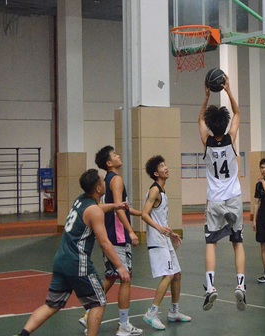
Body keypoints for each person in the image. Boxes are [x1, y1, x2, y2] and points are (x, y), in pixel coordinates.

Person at [15, 169, 131, 336]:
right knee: (98, 302)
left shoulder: (81, 200)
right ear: (98, 188)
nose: (104, 182)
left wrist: (114, 206)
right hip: (78, 262)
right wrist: (119, 266)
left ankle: (23, 334)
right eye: (102, 181)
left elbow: (96, 208)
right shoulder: (95, 211)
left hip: (61, 260)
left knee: (52, 304)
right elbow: (105, 243)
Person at [80, 145, 143, 336]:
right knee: (125, 278)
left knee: (111, 276)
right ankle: (123, 324)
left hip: (109, 233)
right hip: (118, 235)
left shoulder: (105, 181)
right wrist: (130, 231)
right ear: (109, 163)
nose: (118, 156)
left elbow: (119, 206)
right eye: (115, 155)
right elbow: (118, 208)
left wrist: (139, 213)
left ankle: (88, 314)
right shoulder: (116, 179)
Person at [198, 74, 246, 311]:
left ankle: (210, 287)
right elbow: (237, 113)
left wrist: (206, 97)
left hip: (215, 200)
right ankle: (240, 286)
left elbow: (200, 119)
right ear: (225, 124)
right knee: (237, 242)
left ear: (210, 124)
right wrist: (227, 90)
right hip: (234, 198)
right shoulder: (231, 139)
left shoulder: (206, 142)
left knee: (211, 243)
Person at [141, 155, 192, 330]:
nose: (166, 167)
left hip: (164, 239)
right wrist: (159, 229)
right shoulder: (154, 190)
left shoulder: (162, 191)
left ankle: (174, 311)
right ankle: (152, 312)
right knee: (169, 275)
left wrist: (170, 233)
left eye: (165, 164)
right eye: (162, 166)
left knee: (176, 274)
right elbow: (144, 214)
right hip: (156, 240)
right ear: (156, 173)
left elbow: (159, 217)